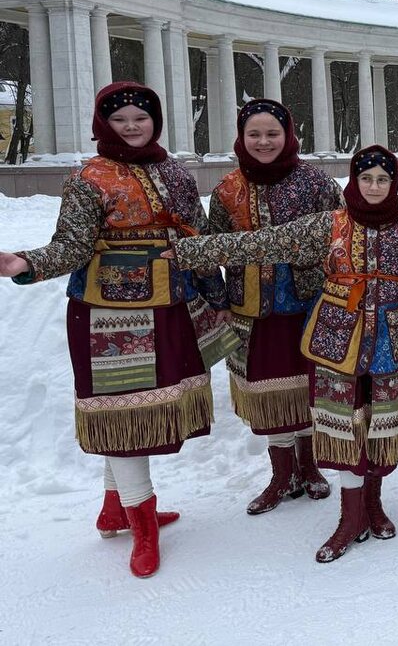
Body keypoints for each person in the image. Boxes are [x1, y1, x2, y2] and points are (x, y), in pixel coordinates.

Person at [0, 82, 234, 579]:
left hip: (169, 303)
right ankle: (143, 525)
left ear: (156, 121)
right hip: (108, 313)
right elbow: (71, 245)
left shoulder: (175, 171)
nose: (132, 126)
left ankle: (115, 510)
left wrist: (214, 285)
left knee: (135, 413)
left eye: (140, 117)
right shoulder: (88, 177)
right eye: (121, 118)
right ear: (104, 124)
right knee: (119, 414)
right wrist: (28, 262)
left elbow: (199, 235)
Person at [172, 145, 398, 563]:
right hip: (337, 344)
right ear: (354, 180)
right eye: (365, 177)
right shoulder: (329, 225)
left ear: (394, 184)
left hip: (392, 345)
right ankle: (350, 518)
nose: (373, 186)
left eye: (382, 179)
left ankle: (375, 504)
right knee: (343, 428)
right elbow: (264, 243)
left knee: (381, 427)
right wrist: (191, 252)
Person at [208, 99, 343, 516]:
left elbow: (342, 239)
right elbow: (209, 249)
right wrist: (218, 301)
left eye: (272, 133)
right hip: (253, 308)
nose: (263, 141)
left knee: (307, 386)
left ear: (288, 136)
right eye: (254, 134)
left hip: (309, 304)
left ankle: (312, 466)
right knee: (268, 392)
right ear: (241, 138)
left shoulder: (317, 184)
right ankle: (281, 473)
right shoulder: (226, 190)